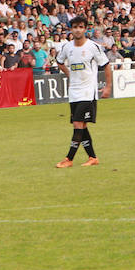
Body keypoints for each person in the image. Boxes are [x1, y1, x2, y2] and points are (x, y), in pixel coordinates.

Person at [54, 16, 113, 168]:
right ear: (71, 29)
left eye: (81, 27)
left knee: (77, 124)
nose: (78, 30)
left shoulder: (93, 47)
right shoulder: (67, 47)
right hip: (74, 92)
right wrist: (69, 74)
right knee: (82, 126)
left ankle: (69, 159)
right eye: (75, 27)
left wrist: (108, 87)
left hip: (88, 92)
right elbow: (59, 62)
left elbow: (106, 65)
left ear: (85, 29)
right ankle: (93, 157)